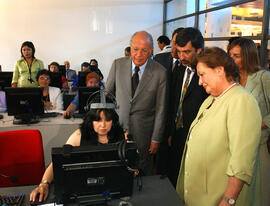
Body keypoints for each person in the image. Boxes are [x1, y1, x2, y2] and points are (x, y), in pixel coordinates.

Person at [176, 47, 261, 206]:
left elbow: (241, 161)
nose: (199, 82)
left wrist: (228, 200)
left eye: (202, 75)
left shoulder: (242, 101)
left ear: (220, 70)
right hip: (199, 196)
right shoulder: (210, 100)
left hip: (218, 199)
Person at [30, 97, 125, 202]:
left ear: (113, 121)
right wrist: (44, 184)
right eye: (98, 120)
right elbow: (58, 162)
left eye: (107, 120)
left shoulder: (122, 134)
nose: (103, 125)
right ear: (90, 120)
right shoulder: (79, 135)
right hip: (85, 189)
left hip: (114, 189)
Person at [106, 31, 167, 175]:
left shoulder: (160, 72)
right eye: (135, 49)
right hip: (118, 130)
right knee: (117, 170)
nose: (139, 54)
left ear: (152, 51)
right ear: (130, 48)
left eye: (144, 50)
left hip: (144, 134)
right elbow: (107, 95)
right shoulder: (117, 65)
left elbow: (161, 109)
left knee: (143, 171)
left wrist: (156, 138)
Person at [228, 38, 270, 206]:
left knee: (259, 195)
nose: (232, 59)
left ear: (248, 56)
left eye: (236, 56)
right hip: (235, 146)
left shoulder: (263, 77)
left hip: (259, 147)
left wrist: (261, 123)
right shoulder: (232, 80)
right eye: (230, 55)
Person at [166, 27, 208, 187]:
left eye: (186, 52)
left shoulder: (207, 74)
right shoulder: (179, 68)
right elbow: (174, 102)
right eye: (179, 51)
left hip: (197, 138)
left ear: (199, 50)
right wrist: (170, 131)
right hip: (176, 134)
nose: (181, 56)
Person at [153, 27, 184, 175]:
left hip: (176, 120)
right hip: (158, 115)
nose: (175, 47)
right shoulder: (159, 59)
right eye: (174, 42)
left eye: (179, 44)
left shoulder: (187, 66)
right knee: (159, 159)